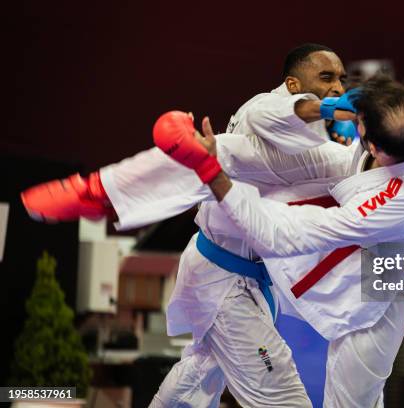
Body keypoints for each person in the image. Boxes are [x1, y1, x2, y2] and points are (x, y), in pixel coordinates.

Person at [22, 43, 359, 408]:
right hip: (225, 281)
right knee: (283, 396)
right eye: (326, 77)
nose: (338, 86)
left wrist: (354, 134)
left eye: (342, 79)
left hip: (239, 276)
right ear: (293, 84)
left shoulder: (315, 146)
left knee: (200, 375)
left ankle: (104, 191)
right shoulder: (265, 108)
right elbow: (290, 112)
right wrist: (332, 109)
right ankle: (98, 192)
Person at [153, 76, 404, 407]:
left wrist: (213, 174)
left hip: (382, 285)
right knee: (211, 360)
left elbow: (289, 233)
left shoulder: (400, 201)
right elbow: (271, 134)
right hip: (375, 242)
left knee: (353, 399)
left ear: (373, 147)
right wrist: (325, 107)